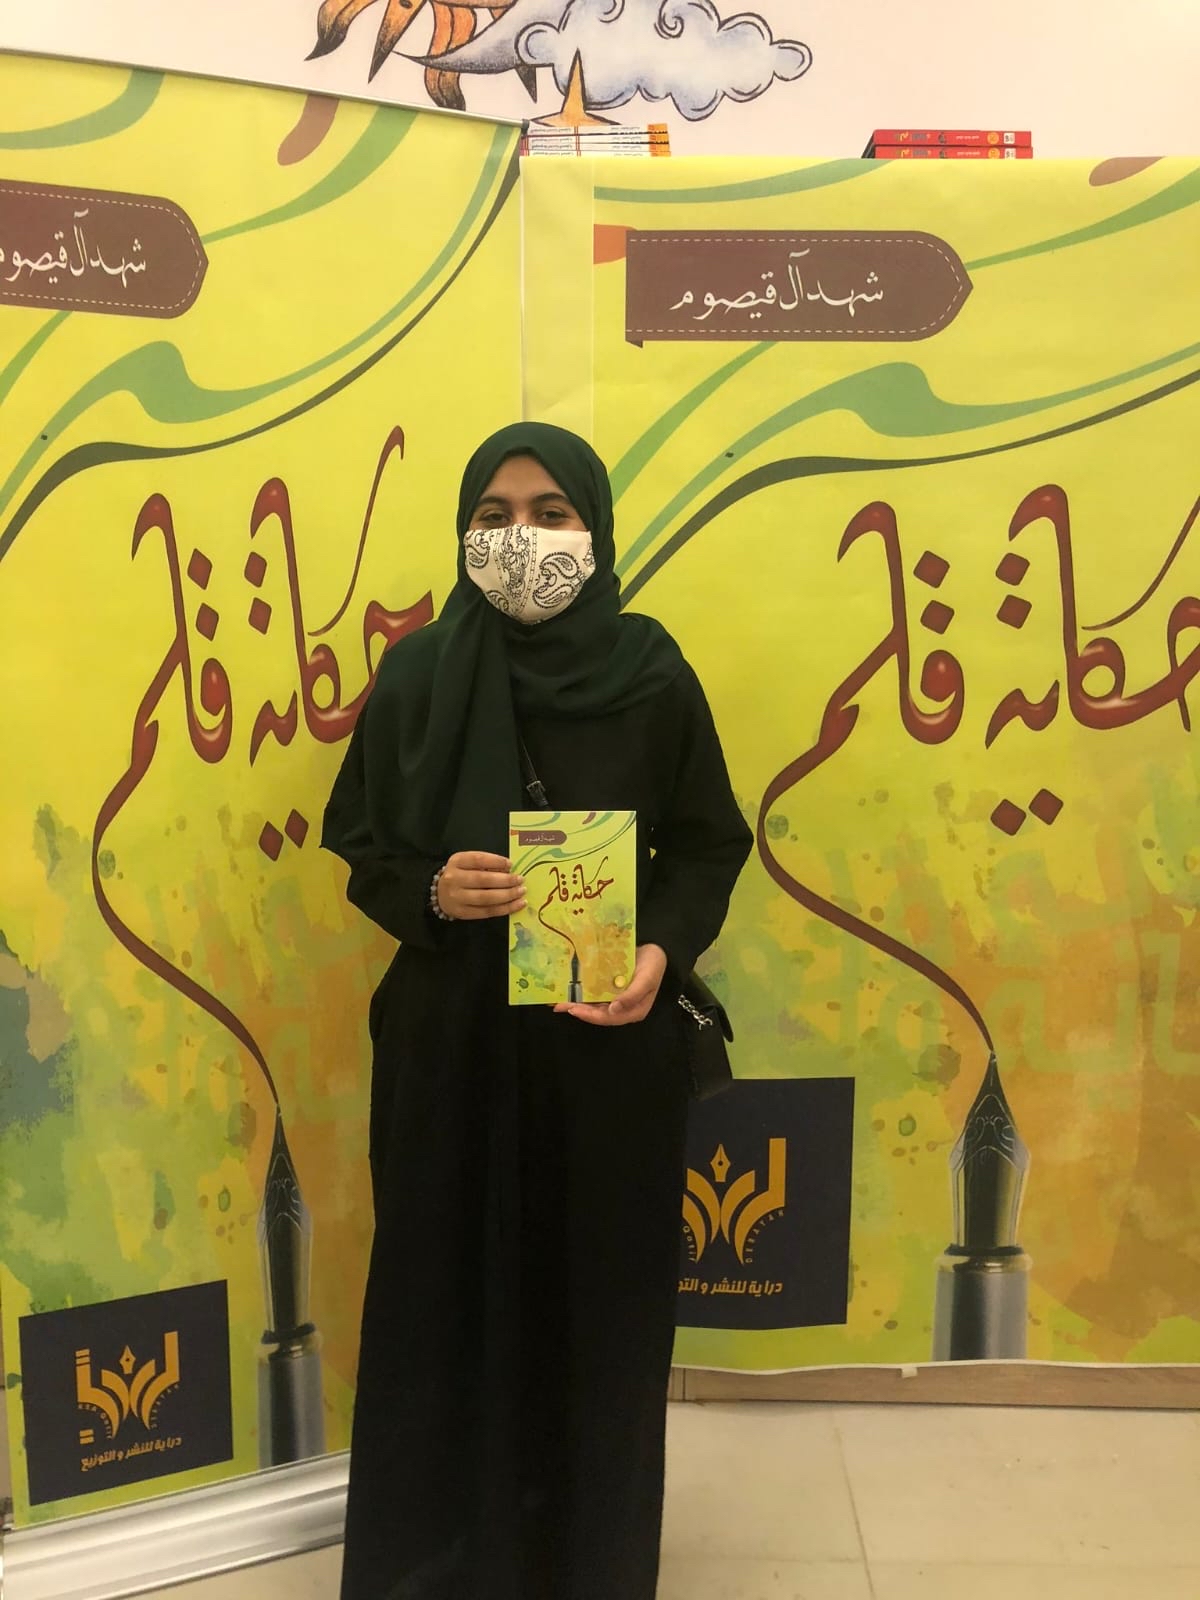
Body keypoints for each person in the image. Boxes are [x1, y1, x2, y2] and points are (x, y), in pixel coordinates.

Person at [322, 422, 751, 1600]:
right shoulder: (419, 673)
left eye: (551, 513)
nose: (522, 538)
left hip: (602, 1043)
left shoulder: (649, 670)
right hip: (449, 1042)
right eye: (495, 514)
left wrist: (660, 949)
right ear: (465, 530)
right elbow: (359, 843)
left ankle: (584, 1565)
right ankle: (438, 1570)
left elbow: (708, 842)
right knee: (440, 1301)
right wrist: (431, 889)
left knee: (596, 1309)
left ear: (594, 529)